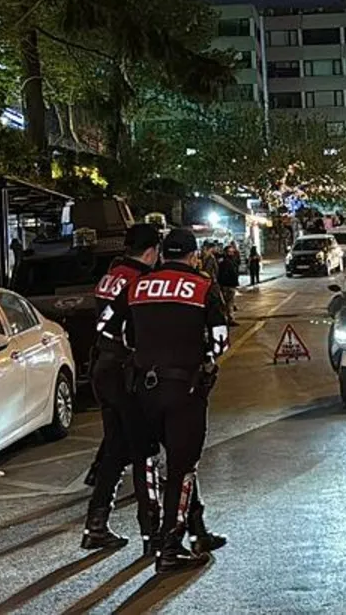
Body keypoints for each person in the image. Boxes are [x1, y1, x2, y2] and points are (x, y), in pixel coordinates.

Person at [110, 228, 230, 573]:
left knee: (153, 460)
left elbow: (109, 327)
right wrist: (204, 358)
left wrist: (139, 351)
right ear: (193, 256)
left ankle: (179, 531)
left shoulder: (136, 285)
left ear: (162, 254)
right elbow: (220, 342)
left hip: (141, 389)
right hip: (184, 389)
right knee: (182, 468)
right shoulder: (204, 286)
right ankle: (170, 547)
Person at [81, 224, 162, 554]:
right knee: (144, 450)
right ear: (151, 251)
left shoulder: (111, 275)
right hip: (126, 371)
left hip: (104, 366)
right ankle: (152, 532)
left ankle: (96, 526)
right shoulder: (140, 281)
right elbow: (141, 329)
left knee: (115, 449)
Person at [217, 246, 241, 325]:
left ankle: (227, 318)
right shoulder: (226, 262)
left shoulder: (230, 261)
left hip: (230, 285)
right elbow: (224, 274)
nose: (232, 253)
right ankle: (228, 319)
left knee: (229, 303)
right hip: (227, 285)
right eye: (230, 252)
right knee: (228, 303)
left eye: (233, 252)